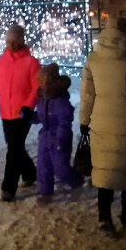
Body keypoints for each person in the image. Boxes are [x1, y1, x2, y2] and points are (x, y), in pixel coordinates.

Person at [80, 17, 126, 234]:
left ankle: (104, 217)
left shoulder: (93, 59)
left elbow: (87, 94)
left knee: (105, 170)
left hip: (102, 123)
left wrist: (84, 120)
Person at [0, 24, 40, 202]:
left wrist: (29, 106)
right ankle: (30, 173)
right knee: (15, 147)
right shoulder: (0, 62)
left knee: (13, 149)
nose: (11, 44)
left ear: (22, 41)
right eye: (8, 41)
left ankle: (8, 188)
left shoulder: (32, 63)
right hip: (6, 113)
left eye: (14, 41)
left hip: (23, 114)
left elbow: (36, 87)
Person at [30, 63, 82, 204]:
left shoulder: (60, 101)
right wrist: (30, 116)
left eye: (42, 80)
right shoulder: (42, 99)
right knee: (43, 166)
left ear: (50, 81)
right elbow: (42, 117)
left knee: (60, 168)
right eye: (38, 80)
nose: (39, 83)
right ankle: (45, 191)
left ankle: (76, 181)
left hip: (58, 139)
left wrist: (61, 139)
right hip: (45, 138)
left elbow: (64, 122)